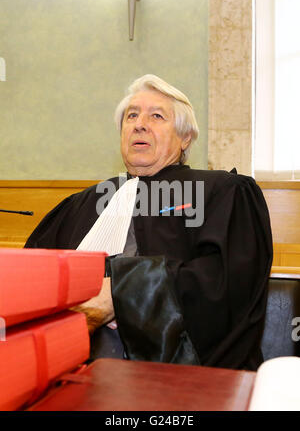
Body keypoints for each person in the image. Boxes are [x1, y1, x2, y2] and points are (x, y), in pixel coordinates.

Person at [25, 74, 273, 370]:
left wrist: (119, 294)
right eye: (131, 115)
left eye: (157, 116)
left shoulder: (222, 192)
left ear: (185, 138)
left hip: (174, 377)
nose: (139, 124)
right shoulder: (80, 205)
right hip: (66, 366)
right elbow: (31, 276)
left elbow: (227, 285)